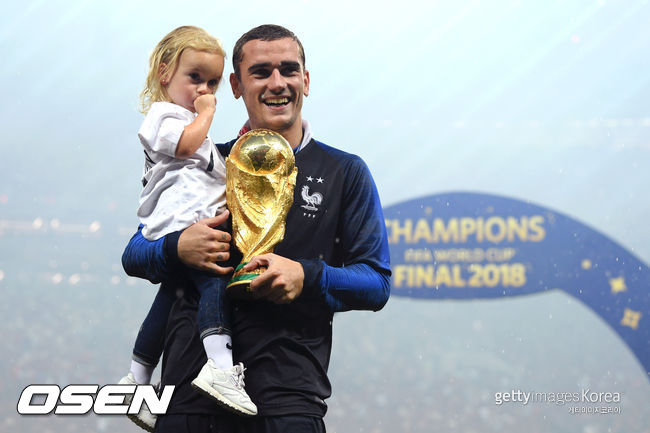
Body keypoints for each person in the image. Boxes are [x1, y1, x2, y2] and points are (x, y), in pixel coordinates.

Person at [122, 24, 391, 433]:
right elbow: (134, 253)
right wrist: (177, 247)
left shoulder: (343, 172)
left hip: (287, 404)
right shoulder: (207, 163)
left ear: (306, 80)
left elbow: (376, 282)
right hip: (186, 403)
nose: (277, 83)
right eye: (261, 72)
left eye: (289, 70)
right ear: (235, 86)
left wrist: (306, 276)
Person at [119, 26, 257, 432]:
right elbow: (184, 145)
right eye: (195, 77)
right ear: (165, 73)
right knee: (215, 279)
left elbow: (207, 168)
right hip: (182, 219)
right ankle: (220, 366)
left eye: (211, 83)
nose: (203, 90)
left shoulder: (192, 126)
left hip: (187, 215)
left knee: (171, 297)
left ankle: (137, 378)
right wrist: (207, 112)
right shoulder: (164, 116)